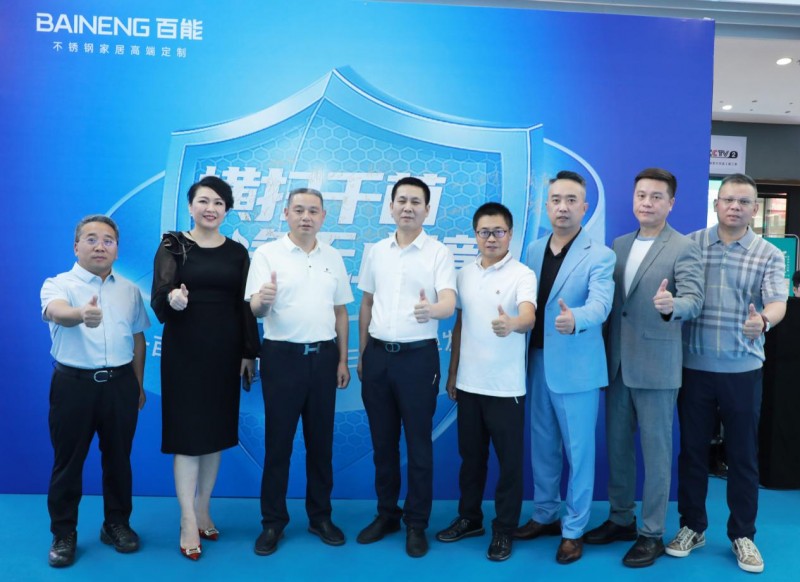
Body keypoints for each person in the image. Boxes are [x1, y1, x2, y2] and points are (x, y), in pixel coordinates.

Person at [666, 173, 787, 573]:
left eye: (744, 202)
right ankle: (692, 527)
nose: (735, 207)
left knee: (742, 455)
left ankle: (743, 535)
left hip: (742, 370)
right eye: (728, 200)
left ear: (754, 209)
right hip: (693, 368)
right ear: (716, 204)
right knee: (692, 453)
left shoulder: (769, 254)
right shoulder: (690, 245)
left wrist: (763, 321)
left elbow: (778, 302)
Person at [584, 168, 704, 568]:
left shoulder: (683, 247)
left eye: (656, 196)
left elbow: (694, 300)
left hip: (657, 367)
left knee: (656, 455)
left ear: (671, 203)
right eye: (641, 195)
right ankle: (621, 518)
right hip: (616, 364)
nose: (646, 203)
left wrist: (672, 306)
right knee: (617, 449)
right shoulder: (618, 244)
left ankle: (651, 532)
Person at [151, 176, 260, 560]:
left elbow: (245, 304)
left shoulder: (238, 252)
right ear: (190, 205)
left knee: (215, 434)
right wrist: (174, 299)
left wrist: (249, 351)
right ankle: (186, 518)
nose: (210, 208)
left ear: (227, 210)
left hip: (225, 353)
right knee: (188, 436)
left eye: (218, 202)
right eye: (203, 201)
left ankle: (203, 508)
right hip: (185, 351)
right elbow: (160, 293)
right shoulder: (173, 245)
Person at [245, 187, 353, 556]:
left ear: (323, 216)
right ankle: (272, 522)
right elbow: (255, 309)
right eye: (299, 210)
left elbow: (340, 311)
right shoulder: (267, 254)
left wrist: (342, 360)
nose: (306, 217)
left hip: (323, 358)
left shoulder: (332, 256)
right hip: (282, 358)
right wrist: (263, 301)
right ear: (286, 214)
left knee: (321, 444)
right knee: (278, 445)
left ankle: (320, 516)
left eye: (313, 211)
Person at [515, 171, 615, 564]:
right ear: (546, 206)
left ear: (584, 207)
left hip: (577, 368)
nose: (563, 207)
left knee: (579, 452)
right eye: (556, 199)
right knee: (542, 446)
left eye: (571, 200)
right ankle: (545, 514)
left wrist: (576, 319)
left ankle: (574, 529)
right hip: (536, 363)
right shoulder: (533, 250)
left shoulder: (600, 255)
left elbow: (601, 304)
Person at [356, 176, 457, 558]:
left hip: (418, 359)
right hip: (378, 357)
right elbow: (367, 303)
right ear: (391, 206)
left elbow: (448, 302)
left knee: (418, 445)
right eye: (402, 200)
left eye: (416, 202)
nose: (408, 207)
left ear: (427, 210)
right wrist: (363, 353)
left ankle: (416, 523)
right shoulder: (376, 251)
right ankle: (387, 514)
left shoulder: (438, 253)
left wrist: (432, 309)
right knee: (382, 444)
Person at [41, 214, 150, 568]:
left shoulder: (129, 290)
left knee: (119, 459)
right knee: (68, 463)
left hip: (120, 385)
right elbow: (56, 313)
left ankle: (116, 524)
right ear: (76, 246)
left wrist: (137, 384)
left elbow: (137, 338)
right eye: (91, 239)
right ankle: (63, 533)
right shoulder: (58, 284)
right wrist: (80, 314)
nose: (100, 246)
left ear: (117, 249)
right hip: (73, 386)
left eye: (108, 240)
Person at [435, 202, 536, 562]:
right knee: (471, 459)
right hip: (468, 385)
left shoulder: (523, 274)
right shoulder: (464, 274)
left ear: (510, 234)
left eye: (498, 232)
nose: (491, 238)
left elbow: (528, 316)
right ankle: (470, 518)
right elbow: (460, 324)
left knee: (509, 464)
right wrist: (453, 373)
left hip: (506, 388)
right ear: (475, 235)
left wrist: (512, 324)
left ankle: (504, 529)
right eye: (484, 232)